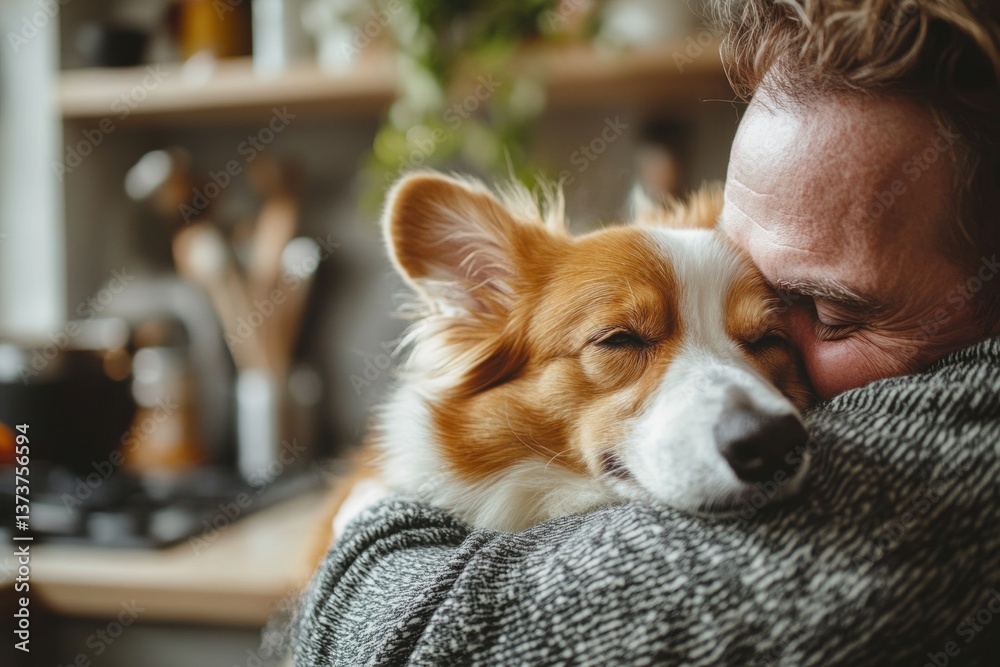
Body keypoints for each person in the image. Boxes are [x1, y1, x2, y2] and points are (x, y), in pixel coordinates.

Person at [288, 2, 1000, 665]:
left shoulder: (946, 468)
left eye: (835, 313)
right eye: (623, 341)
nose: (773, 399)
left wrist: (366, 535)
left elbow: (417, 637)